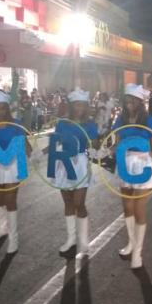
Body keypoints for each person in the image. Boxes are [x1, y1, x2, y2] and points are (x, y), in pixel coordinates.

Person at [110, 84, 152, 269]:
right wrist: (108, 150)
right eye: (127, 99)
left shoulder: (148, 120)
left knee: (138, 206)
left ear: (139, 101)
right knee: (127, 206)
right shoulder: (120, 119)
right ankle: (131, 243)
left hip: (142, 164)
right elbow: (117, 144)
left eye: (132, 99)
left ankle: (138, 252)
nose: (129, 102)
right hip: (124, 163)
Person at [0, 90, 31, 254]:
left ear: (7, 109)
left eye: (3, 108)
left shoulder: (16, 123)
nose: (0, 111)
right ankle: (2, 229)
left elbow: (25, 145)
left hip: (13, 165)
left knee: (10, 199)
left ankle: (13, 238)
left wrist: (32, 154)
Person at [54, 89, 99, 255]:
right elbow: (55, 142)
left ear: (86, 106)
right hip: (63, 163)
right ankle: (71, 239)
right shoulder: (62, 123)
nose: (79, 108)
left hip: (80, 163)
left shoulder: (90, 124)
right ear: (72, 106)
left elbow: (94, 143)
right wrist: (39, 154)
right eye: (76, 104)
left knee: (79, 203)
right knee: (67, 203)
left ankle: (83, 240)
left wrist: (95, 151)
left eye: (82, 105)